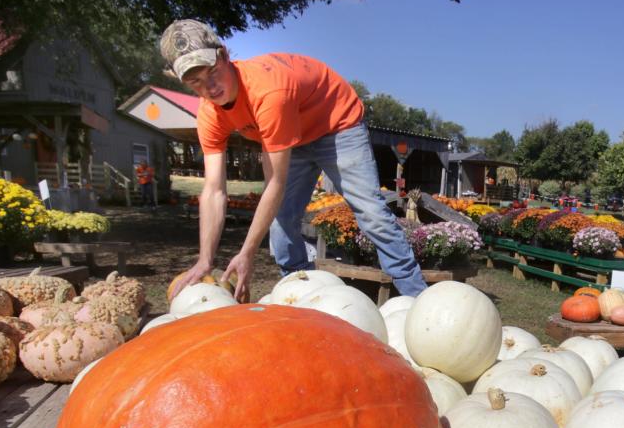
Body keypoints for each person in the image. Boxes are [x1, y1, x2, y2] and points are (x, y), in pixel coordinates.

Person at [159, 19, 427, 302]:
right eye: (195, 82)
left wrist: (247, 253)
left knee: (370, 212)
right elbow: (213, 190)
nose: (210, 87)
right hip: (292, 133)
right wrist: (205, 259)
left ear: (224, 55)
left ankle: (416, 297)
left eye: (213, 72)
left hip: (336, 123)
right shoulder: (210, 114)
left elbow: (276, 181)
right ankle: (299, 291)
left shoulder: (268, 92)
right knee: (282, 219)